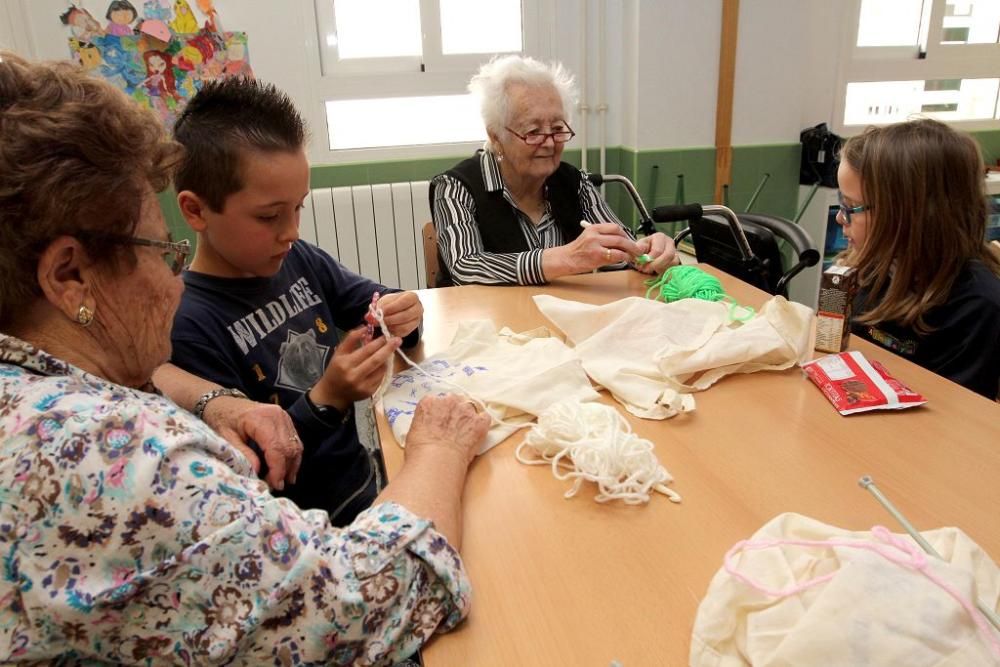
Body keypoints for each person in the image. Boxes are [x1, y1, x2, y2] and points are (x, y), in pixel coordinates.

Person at [0, 52, 490, 663]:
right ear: (69, 275)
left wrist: (210, 397)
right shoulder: (112, 456)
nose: (174, 282)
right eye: (160, 252)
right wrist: (436, 448)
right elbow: (361, 606)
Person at [167, 76, 424, 526]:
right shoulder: (189, 323)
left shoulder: (297, 258)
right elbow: (261, 473)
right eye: (269, 216)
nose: (291, 231)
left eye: (298, 208)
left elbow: (375, 302)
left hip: (366, 481)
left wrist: (403, 313)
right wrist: (331, 398)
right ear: (195, 211)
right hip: (304, 530)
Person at [430, 54, 678, 286]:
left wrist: (649, 252)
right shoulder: (456, 186)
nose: (549, 142)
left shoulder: (574, 182)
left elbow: (622, 248)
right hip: (486, 325)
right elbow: (466, 266)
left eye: (558, 128)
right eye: (533, 131)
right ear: (496, 137)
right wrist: (567, 258)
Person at [837, 118, 1000, 399]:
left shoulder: (978, 308)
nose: (841, 217)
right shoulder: (872, 268)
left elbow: (952, 419)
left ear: (909, 215)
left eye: (852, 207)